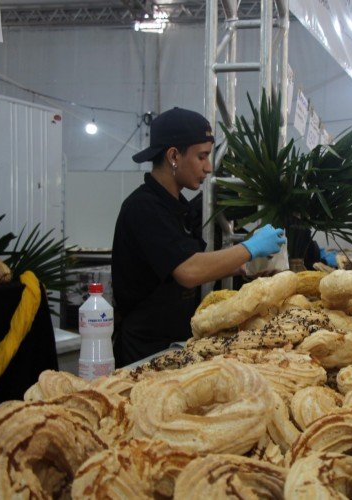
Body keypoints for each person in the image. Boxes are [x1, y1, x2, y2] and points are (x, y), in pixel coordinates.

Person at [111, 108, 287, 366]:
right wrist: (250, 247)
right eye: (202, 156)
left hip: (174, 344)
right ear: (173, 156)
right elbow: (189, 270)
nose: (208, 167)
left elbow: (192, 262)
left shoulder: (176, 206)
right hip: (144, 352)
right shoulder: (143, 208)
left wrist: (245, 266)